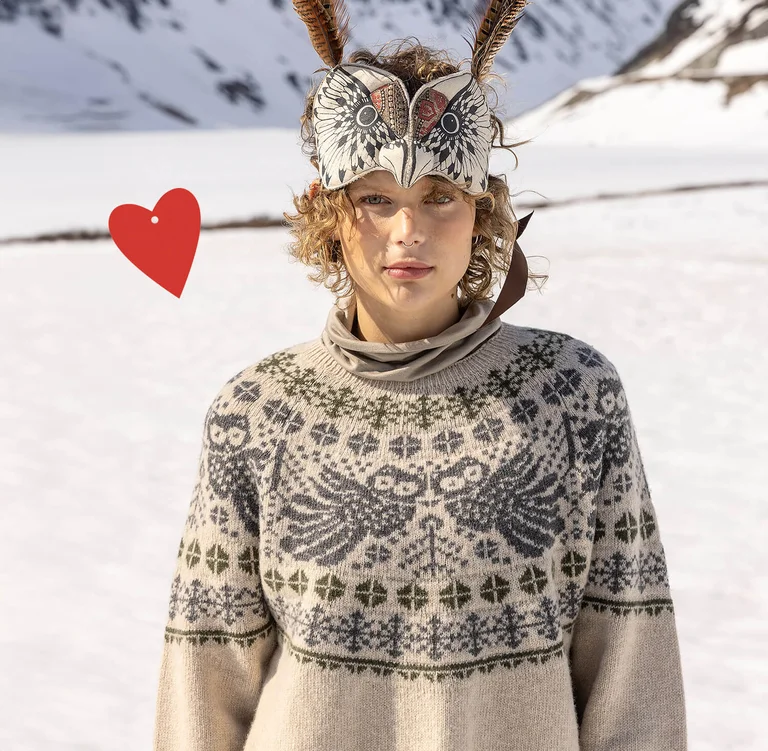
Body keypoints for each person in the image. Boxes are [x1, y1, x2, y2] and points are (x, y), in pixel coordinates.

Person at [153, 1, 688, 749]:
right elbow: (204, 676)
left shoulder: (572, 393)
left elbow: (633, 668)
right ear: (327, 213)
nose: (408, 232)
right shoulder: (257, 411)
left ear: (482, 211)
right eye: (375, 198)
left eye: (439, 196)